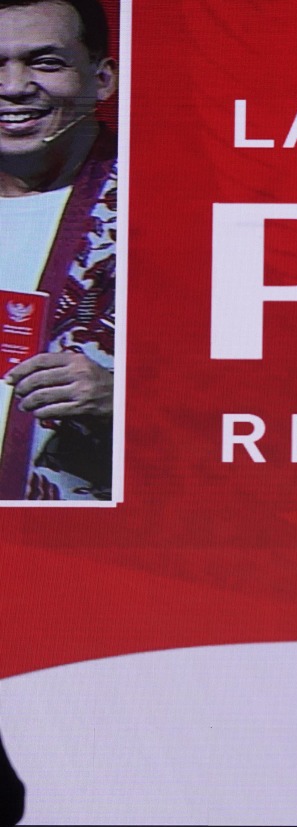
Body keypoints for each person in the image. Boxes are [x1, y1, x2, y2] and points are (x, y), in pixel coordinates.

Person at [0, 0, 118, 501]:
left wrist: (119, 400)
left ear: (102, 79)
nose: (13, 86)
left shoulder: (172, 209)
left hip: (82, 534)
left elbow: (267, 390)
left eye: (46, 63)